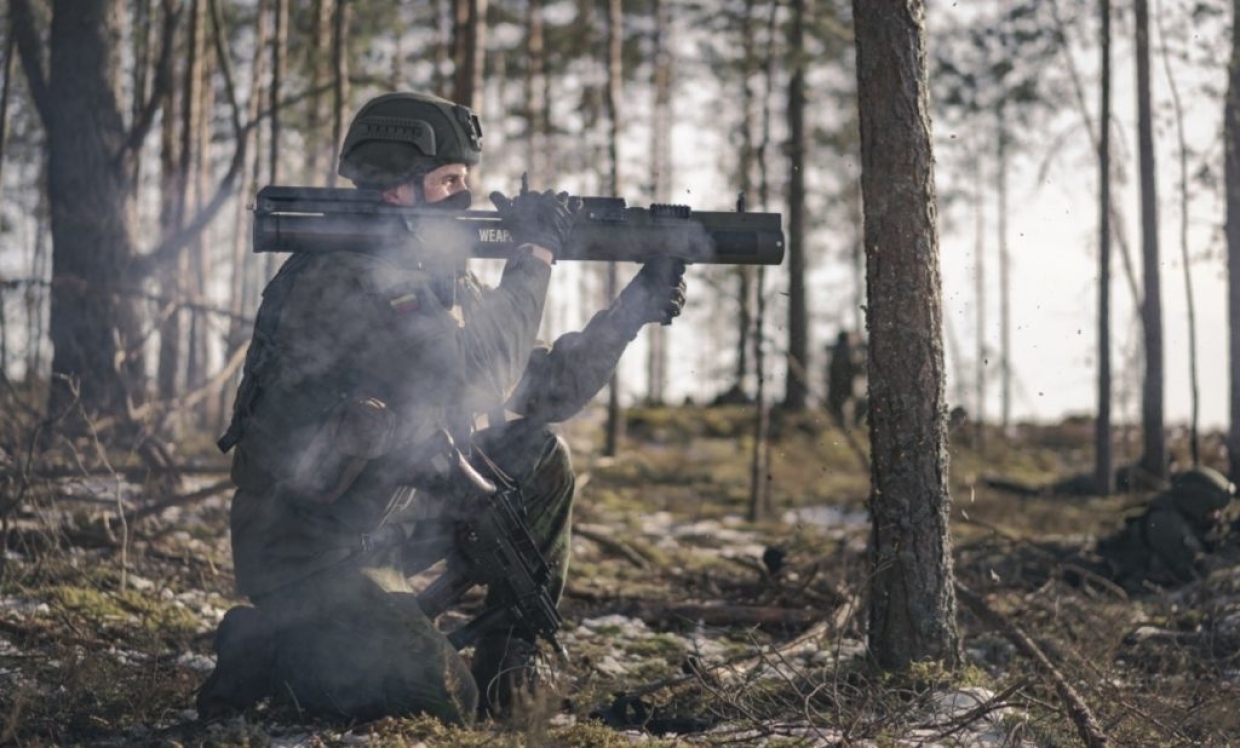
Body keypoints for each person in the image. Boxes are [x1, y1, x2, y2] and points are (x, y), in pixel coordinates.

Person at [196, 92, 687, 724]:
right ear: (400, 188)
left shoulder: (431, 279)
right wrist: (535, 255)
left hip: (384, 524)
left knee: (538, 459)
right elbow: (473, 375)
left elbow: (544, 392)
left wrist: (628, 313)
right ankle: (268, 648)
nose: (465, 196)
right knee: (443, 701)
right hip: (308, 557)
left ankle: (513, 654)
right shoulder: (346, 277)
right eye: (450, 180)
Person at [1095, 466, 1236, 592]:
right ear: (1196, 503)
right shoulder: (1166, 523)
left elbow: (1214, 537)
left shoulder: (1187, 515)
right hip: (1118, 577)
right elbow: (1196, 570)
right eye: (1213, 510)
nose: (1218, 516)